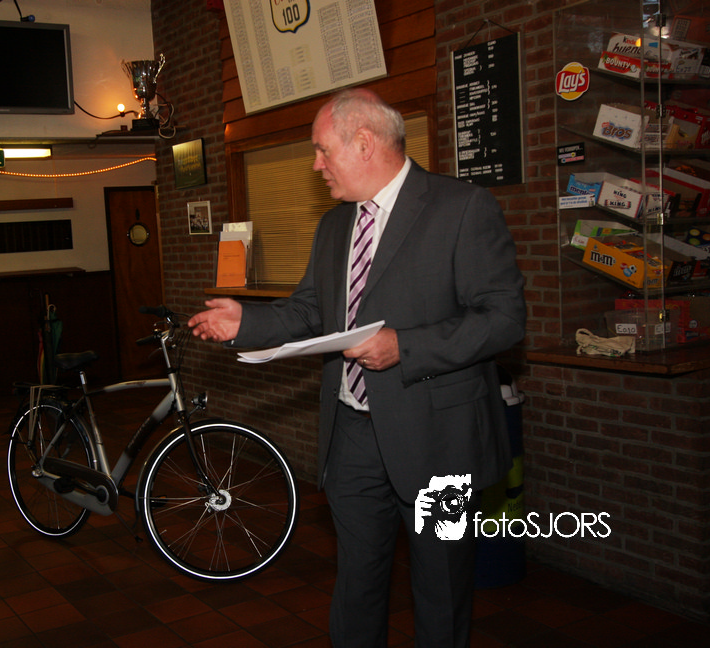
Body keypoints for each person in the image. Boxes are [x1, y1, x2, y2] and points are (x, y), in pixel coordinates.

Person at [188, 88, 526, 648]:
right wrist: (245, 321)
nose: (315, 165)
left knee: (441, 588)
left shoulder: (462, 208)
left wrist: (406, 347)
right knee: (357, 584)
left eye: (322, 150)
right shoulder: (334, 227)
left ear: (364, 143)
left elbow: (504, 318)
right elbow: (309, 311)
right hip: (352, 437)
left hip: (437, 438)